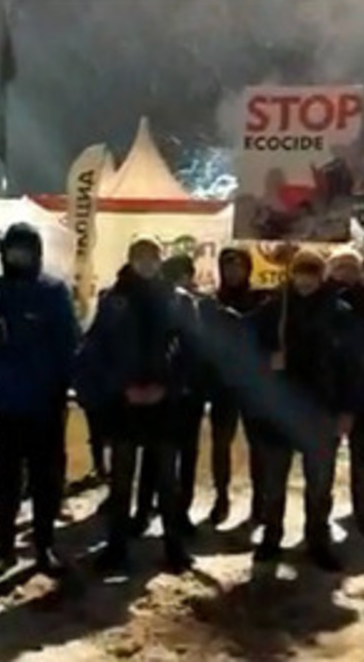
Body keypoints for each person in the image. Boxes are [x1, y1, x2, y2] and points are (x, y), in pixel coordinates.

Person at [78, 237, 196, 574]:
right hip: (124, 402)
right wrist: (121, 387)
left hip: (164, 402)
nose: (146, 263)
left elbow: (191, 353)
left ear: (161, 261)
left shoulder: (178, 301)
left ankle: (173, 546)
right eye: (139, 257)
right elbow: (97, 351)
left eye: (152, 257)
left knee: (166, 479)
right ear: (130, 261)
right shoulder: (113, 300)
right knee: (121, 480)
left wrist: (167, 387)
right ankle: (116, 547)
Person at [0, 223, 79, 579]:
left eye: (24, 250)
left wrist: (65, 385)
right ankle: (4, 548)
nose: (17, 256)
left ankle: (44, 545)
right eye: (12, 249)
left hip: (44, 403)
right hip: (5, 402)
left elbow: (69, 343)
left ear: (36, 253)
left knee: (45, 480)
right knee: (5, 481)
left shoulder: (53, 292)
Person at [247, 249, 356, 572]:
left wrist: (347, 409)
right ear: (291, 274)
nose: (305, 279)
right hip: (281, 409)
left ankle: (317, 539)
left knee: (319, 482)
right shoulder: (273, 309)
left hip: (321, 408)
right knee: (274, 480)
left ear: (321, 276)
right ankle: (272, 535)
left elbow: (352, 367)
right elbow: (247, 346)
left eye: (312, 272)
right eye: (300, 272)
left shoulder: (339, 312)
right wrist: (269, 362)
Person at [199, 247, 270, 526]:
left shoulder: (261, 299)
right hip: (223, 385)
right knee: (220, 444)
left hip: (253, 385)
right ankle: (221, 497)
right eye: (227, 266)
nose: (233, 271)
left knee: (258, 447)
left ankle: (259, 503)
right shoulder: (212, 302)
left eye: (239, 265)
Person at [134, 254, 203, 538]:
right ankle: (143, 509)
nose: (178, 282)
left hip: (189, 392)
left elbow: (196, 348)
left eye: (182, 275)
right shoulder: (158, 302)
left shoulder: (196, 303)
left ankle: (180, 512)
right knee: (153, 456)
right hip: (162, 394)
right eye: (172, 276)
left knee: (186, 457)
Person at [325, 247, 364, 537]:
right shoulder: (321, 301)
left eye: (351, 267)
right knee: (324, 457)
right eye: (340, 267)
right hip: (328, 389)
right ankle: (320, 513)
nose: (346, 272)